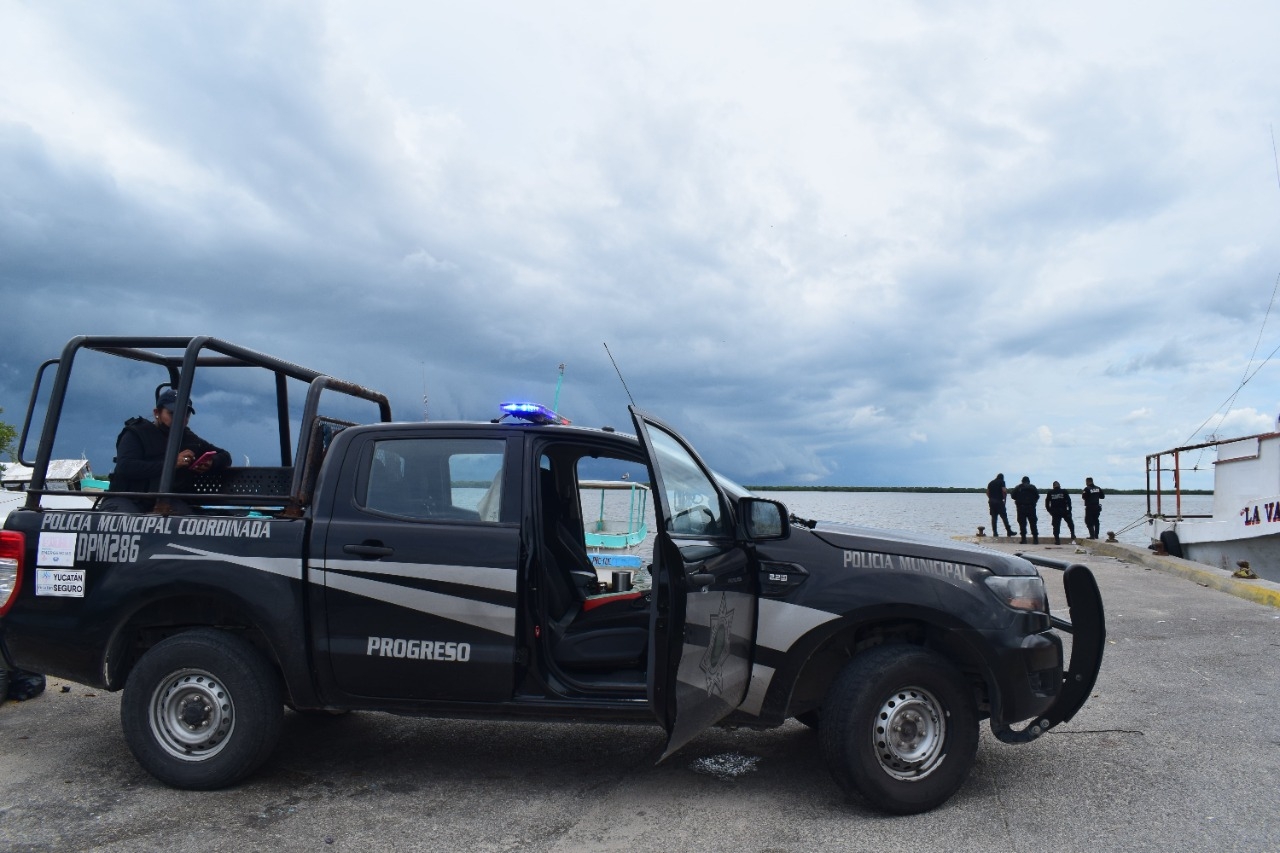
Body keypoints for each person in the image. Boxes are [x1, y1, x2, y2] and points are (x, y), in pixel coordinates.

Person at [101, 388, 231, 513]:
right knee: (122, 521)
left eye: (186, 414)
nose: (181, 418)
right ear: (157, 413)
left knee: (182, 522)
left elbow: (225, 456)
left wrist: (211, 462)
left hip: (168, 500)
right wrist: (171, 464)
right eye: (173, 413)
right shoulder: (136, 434)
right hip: (128, 498)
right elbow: (126, 467)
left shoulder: (188, 438)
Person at [1009, 475, 1040, 544]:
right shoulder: (1032, 487)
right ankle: (1035, 540)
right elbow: (1037, 496)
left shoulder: (1018, 487)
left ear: (1022, 481)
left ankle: (1024, 539)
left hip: (1021, 508)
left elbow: (1012, 496)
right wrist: (1033, 502)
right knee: (1033, 523)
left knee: (1022, 524)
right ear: (1029, 481)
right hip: (1031, 508)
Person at [986, 473, 1015, 538]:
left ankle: (995, 533)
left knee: (994, 517)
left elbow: (987, 492)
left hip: (991, 502)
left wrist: (991, 498)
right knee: (1004, 517)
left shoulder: (991, 482)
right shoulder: (1002, 482)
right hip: (999, 502)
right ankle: (1009, 531)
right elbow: (1004, 491)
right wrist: (1004, 500)